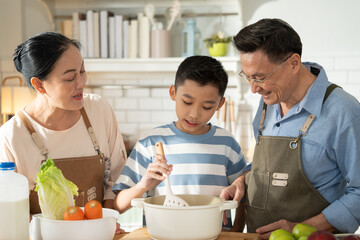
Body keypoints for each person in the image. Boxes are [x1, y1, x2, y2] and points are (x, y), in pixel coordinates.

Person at [219, 18, 360, 237]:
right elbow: (267, 165)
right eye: (247, 77)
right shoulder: (268, 101)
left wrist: (298, 229)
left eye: (260, 77)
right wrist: (242, 180)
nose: (254, 89)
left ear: (294, 63)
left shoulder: (345, 112)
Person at [0, 32, 127, 223]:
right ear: (39, 85)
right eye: (70, 78)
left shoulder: (99, 111)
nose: (82, 83)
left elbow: (117, 179)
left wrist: (105, 222)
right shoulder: (12, 136)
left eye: (82, 71)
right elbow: (9, 213)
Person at [112, 55, 247, 229]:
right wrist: (143, 185)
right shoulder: (150, 143)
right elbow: (118, 206)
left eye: (206, 107)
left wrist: (236, 231)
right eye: (187, 102)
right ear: (173, 93)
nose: (194, 114)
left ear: (220, 104)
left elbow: (243, 196)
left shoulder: (227, 144)